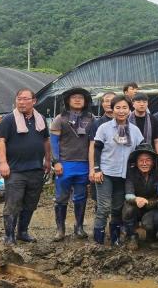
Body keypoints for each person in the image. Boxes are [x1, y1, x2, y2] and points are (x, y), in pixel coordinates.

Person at [0, 88, 51, 245]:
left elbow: (46, 140)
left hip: (36, 169)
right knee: (13, 204)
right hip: (15, 170)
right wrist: (3, 163)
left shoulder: (40, 118)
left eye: (25, 99)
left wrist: (48, 160)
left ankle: (22, 232)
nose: (21, 102)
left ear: (34, 101)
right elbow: (0, 141)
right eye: (19, 99)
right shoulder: (8, 120)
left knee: (30, 203)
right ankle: (9, 235)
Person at [90, 95, 144, 246]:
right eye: (118, 107)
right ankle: (98, 241)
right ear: (112, 109)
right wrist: (97, 169)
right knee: (104, 207)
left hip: (124, 175)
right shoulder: (104, 128)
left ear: (130, 109)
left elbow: (141, 149)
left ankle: (114, 239)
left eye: (124, 107)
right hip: (106, 173)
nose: (121, 111)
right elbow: (97, 149)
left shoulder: (134, 130)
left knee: (117, 208)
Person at [50, 87, 94, 241]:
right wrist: (56, 162)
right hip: (65, 164)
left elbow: (93, 143)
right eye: (74, 97)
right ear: (68, 100)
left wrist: (92, 166)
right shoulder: (60, 119)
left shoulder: (91, 118)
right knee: (61, 198)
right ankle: (60, 229)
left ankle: (79, 227)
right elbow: (53, 142)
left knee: (81, 197)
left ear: (85, 101)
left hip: (83, 164)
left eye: (80, 97)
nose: (77, 100)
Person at [123, 143, 158, 250]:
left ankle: (151, 236)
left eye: (148, 160)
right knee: (128, 209)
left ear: (153, 162)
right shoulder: (131, 173)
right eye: (141, 160)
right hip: (137, 205)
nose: (144, 163)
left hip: (153, 205)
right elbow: (128, 194)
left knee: (150, 221)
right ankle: (132, 236)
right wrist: (136, 199)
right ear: (136, 162)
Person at [88, 91, 116, 206]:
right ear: (102, 104)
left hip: (120, 167)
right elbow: (92, 147)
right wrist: (92, 169)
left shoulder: (125, 122)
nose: (109, 103)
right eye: (106, 101)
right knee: (100, 202)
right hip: (102, 166)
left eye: (112, 100)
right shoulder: (97, 123)